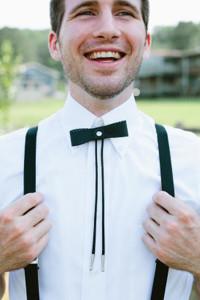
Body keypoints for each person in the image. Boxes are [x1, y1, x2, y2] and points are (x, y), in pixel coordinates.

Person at [0, 0, 200, 299]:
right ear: (54, 44)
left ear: (146, 43)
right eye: (86, 11)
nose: (108, 29)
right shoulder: (5, 158)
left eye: (124, 12)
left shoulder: (194, 159)